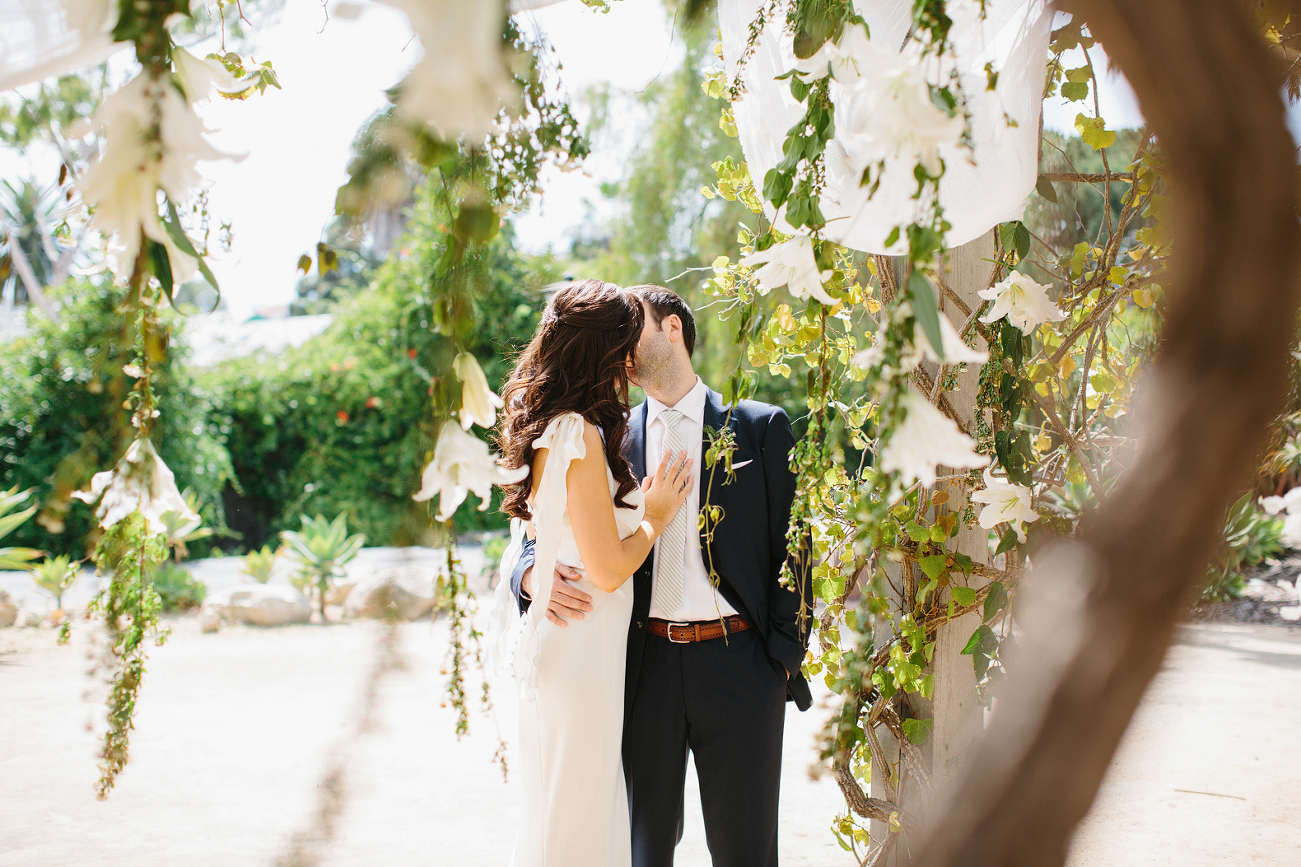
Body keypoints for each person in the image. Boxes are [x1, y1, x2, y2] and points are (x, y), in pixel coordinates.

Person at [511, 285, 812, 867]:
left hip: (742, 666)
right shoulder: (606, 434)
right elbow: (539, 524)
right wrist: (531, 575)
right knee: (642, 849)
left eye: (636, 327)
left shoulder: (758, 427)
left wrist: (779, 658)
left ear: (673, 329)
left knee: (747, 851)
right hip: (641, 667)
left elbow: (793, 548)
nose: (623, 344)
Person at [491, 279, 695, 867]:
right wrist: (654, 517)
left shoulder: (559, 425)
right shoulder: (576, 433)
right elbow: (606, 570)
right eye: (624, 345)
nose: (630, 361)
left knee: (569, 811)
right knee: (578, 821)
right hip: (581, 652)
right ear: (604, 349)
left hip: (581, 648)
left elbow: (546, 536)